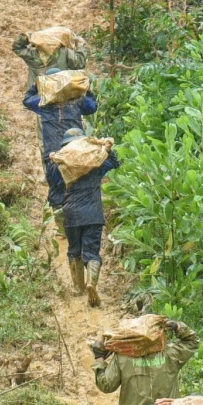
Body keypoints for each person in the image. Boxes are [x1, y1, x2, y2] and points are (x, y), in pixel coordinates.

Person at [15, 34, 94, 229]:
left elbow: (27, 100)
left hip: (52, 151)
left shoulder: (43, 103)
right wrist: (86, 89)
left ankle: (61, 225)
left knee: (56, 182)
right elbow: (92, 107)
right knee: (76, 180)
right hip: (74, 145)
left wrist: (37, 86)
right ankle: (79, 220)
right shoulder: (76, 101)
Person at [56, 128, 118, 305]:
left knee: (74, 250)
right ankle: (92, 283)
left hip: (71, 215)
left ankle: (78, 288)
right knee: (91, 252)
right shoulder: (96, 165)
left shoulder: (62, 165)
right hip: (93, 214)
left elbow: (53, 183)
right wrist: (105, 148)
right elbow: (114, 162)